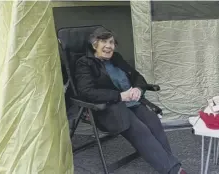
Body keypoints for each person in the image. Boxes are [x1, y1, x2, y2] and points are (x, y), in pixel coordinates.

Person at [75, 27, 186, 174]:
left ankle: (166, 161)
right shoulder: (85, 63)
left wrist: (138, 89)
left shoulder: (117, 58)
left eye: (112, 42)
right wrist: (120, 96)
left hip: (132, 102)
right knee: (141, 130)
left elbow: (136, 76)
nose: (109, 46)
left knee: (153, 122)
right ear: (95, 44)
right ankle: (174, 170)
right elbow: (86, 92)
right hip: (109, 109)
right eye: (104, 41)